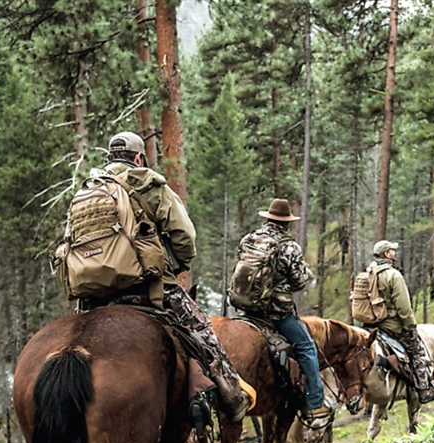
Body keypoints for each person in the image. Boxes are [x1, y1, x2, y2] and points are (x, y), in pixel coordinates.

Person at [85, 131, 252, 422]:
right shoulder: (146, 182)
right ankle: (231, 398)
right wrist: (178, 266)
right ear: (138, 158)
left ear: (110, 158)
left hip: (93, 295)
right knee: (203, 332)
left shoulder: (90, 190)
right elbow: (184, 235)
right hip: (147, 286)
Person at [235, 199, 331, 419]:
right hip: (276, 312)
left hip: (246, 308)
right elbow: (299, 283)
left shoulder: (249, 239)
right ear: (286, 222)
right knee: (307, 348)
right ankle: (315, 403)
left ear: (268, 218)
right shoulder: (289, 246)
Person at [367, 240, 434, 404]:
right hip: (391, 325)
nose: (394, 251)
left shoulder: (369, 273)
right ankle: (424, 390)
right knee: (417, 352)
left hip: (373, 324)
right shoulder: (393, 275)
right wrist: (410, 326)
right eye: (392, 250)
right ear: (387, 254)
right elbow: (404, 307)